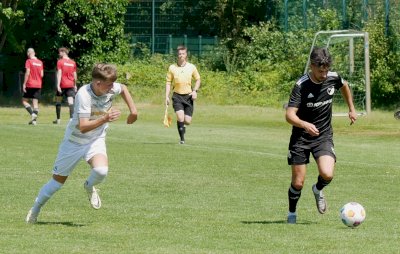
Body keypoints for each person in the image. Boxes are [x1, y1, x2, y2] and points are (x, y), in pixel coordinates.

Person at [26, 63, 138, 224]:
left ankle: (89, 186)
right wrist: (105, 118)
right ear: (98, 83)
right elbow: (83, 126)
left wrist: (134, 111)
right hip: (74, 141)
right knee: (57, 183)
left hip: (95, 139)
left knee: (101, 171)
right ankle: (35, 208)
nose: (112, 88)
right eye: (109, 85)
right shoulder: (83, 95)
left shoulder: (110, 86)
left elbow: (124, 89)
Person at [285, 47, 357, 224]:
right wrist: (304, 124)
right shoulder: (301, 85)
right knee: (298, 183)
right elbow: (289, 115)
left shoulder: (333, 78)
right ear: (312, 66)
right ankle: (292, 213)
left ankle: (317, 190)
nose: (324, 74)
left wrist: (351, 108)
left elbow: (345, 86)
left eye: (326, 70)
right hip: (300, 138)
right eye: (320, 71)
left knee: (327, 174)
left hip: (323, 136)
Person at [165, 45, 201, 144]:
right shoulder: (172, 67)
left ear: (186, 55)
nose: (181, 55)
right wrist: (167, 96)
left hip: (188, 97)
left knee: (187, 121)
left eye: (183, 54)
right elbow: (168, 83)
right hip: (177, 96)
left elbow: (198, 79)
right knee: (180, 117)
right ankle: (182, 139)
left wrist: (195, 91)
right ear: (177, 55)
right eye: (179, 54)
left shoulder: (192, 67)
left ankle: (183, 126)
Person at [53, 47, 78, 124]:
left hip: (62, 84)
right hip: (71, 85)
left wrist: (58, 85)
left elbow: (59, 73)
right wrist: (75, 84)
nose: (59, 53)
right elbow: (75, 75)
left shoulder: (60, 62)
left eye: (60, 52)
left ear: (63, 52)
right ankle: (71, 119)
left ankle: (58, 119)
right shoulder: (73, 62)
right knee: (71, 102)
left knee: (58, 101)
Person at [22, 48, 44, 125]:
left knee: (24, 101)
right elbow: (42, 75)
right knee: (35, 104)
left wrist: (24, 83)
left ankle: (32, 114)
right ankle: (34, 121)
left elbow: (27, 72)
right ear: (34, 53)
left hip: (30, 84)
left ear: (28, 53)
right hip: (38, 84)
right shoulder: (40, 62)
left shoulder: (28, 61)